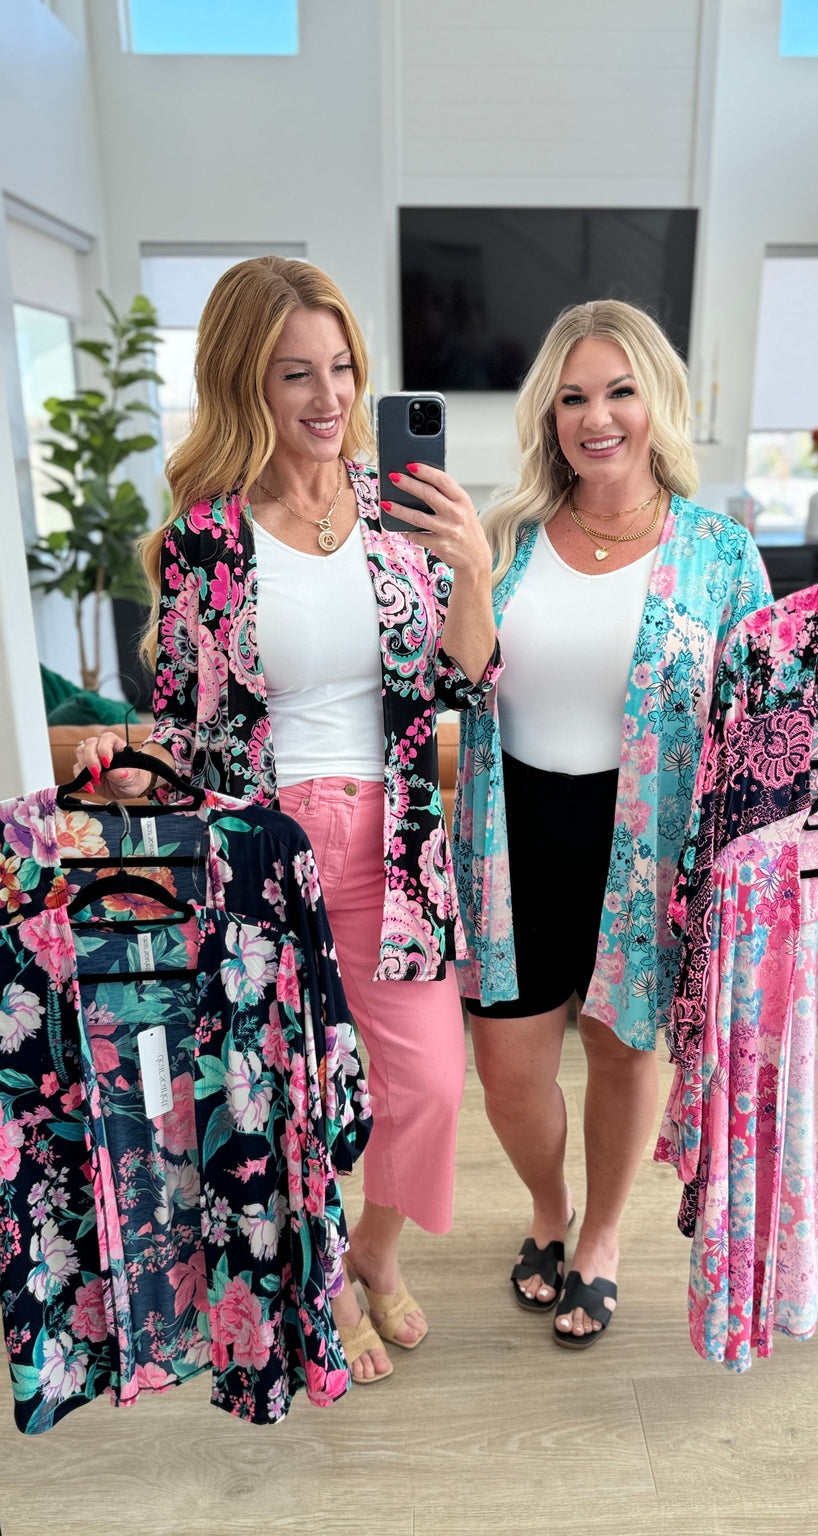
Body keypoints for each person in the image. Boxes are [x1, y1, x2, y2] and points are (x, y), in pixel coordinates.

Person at [452, 299, 818, 1348]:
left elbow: (772, 703)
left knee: (623, 1052)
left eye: (619, 392)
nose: (597, 418)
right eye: (573, 397)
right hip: (511, 835)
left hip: (650, 842)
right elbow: (455, 673)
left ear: (657, 402)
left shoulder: (719, 553)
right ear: (548, 414)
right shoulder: (505, 536)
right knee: (508, 1072)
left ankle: (599, 1237)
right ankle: (548, 1205)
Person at [74, 255, 499, 1384]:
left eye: (343, 368)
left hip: (394, 847)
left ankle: (374, 1254)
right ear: (243, 385)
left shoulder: (401, 510)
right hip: (263, 853)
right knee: (290, 1088)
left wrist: (473, 573)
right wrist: (131, 773)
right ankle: (325, 1282)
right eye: (295, 374)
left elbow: (467, 681)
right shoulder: (204, 540)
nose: (329, 397)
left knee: (428, 1088)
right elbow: (180, 722)